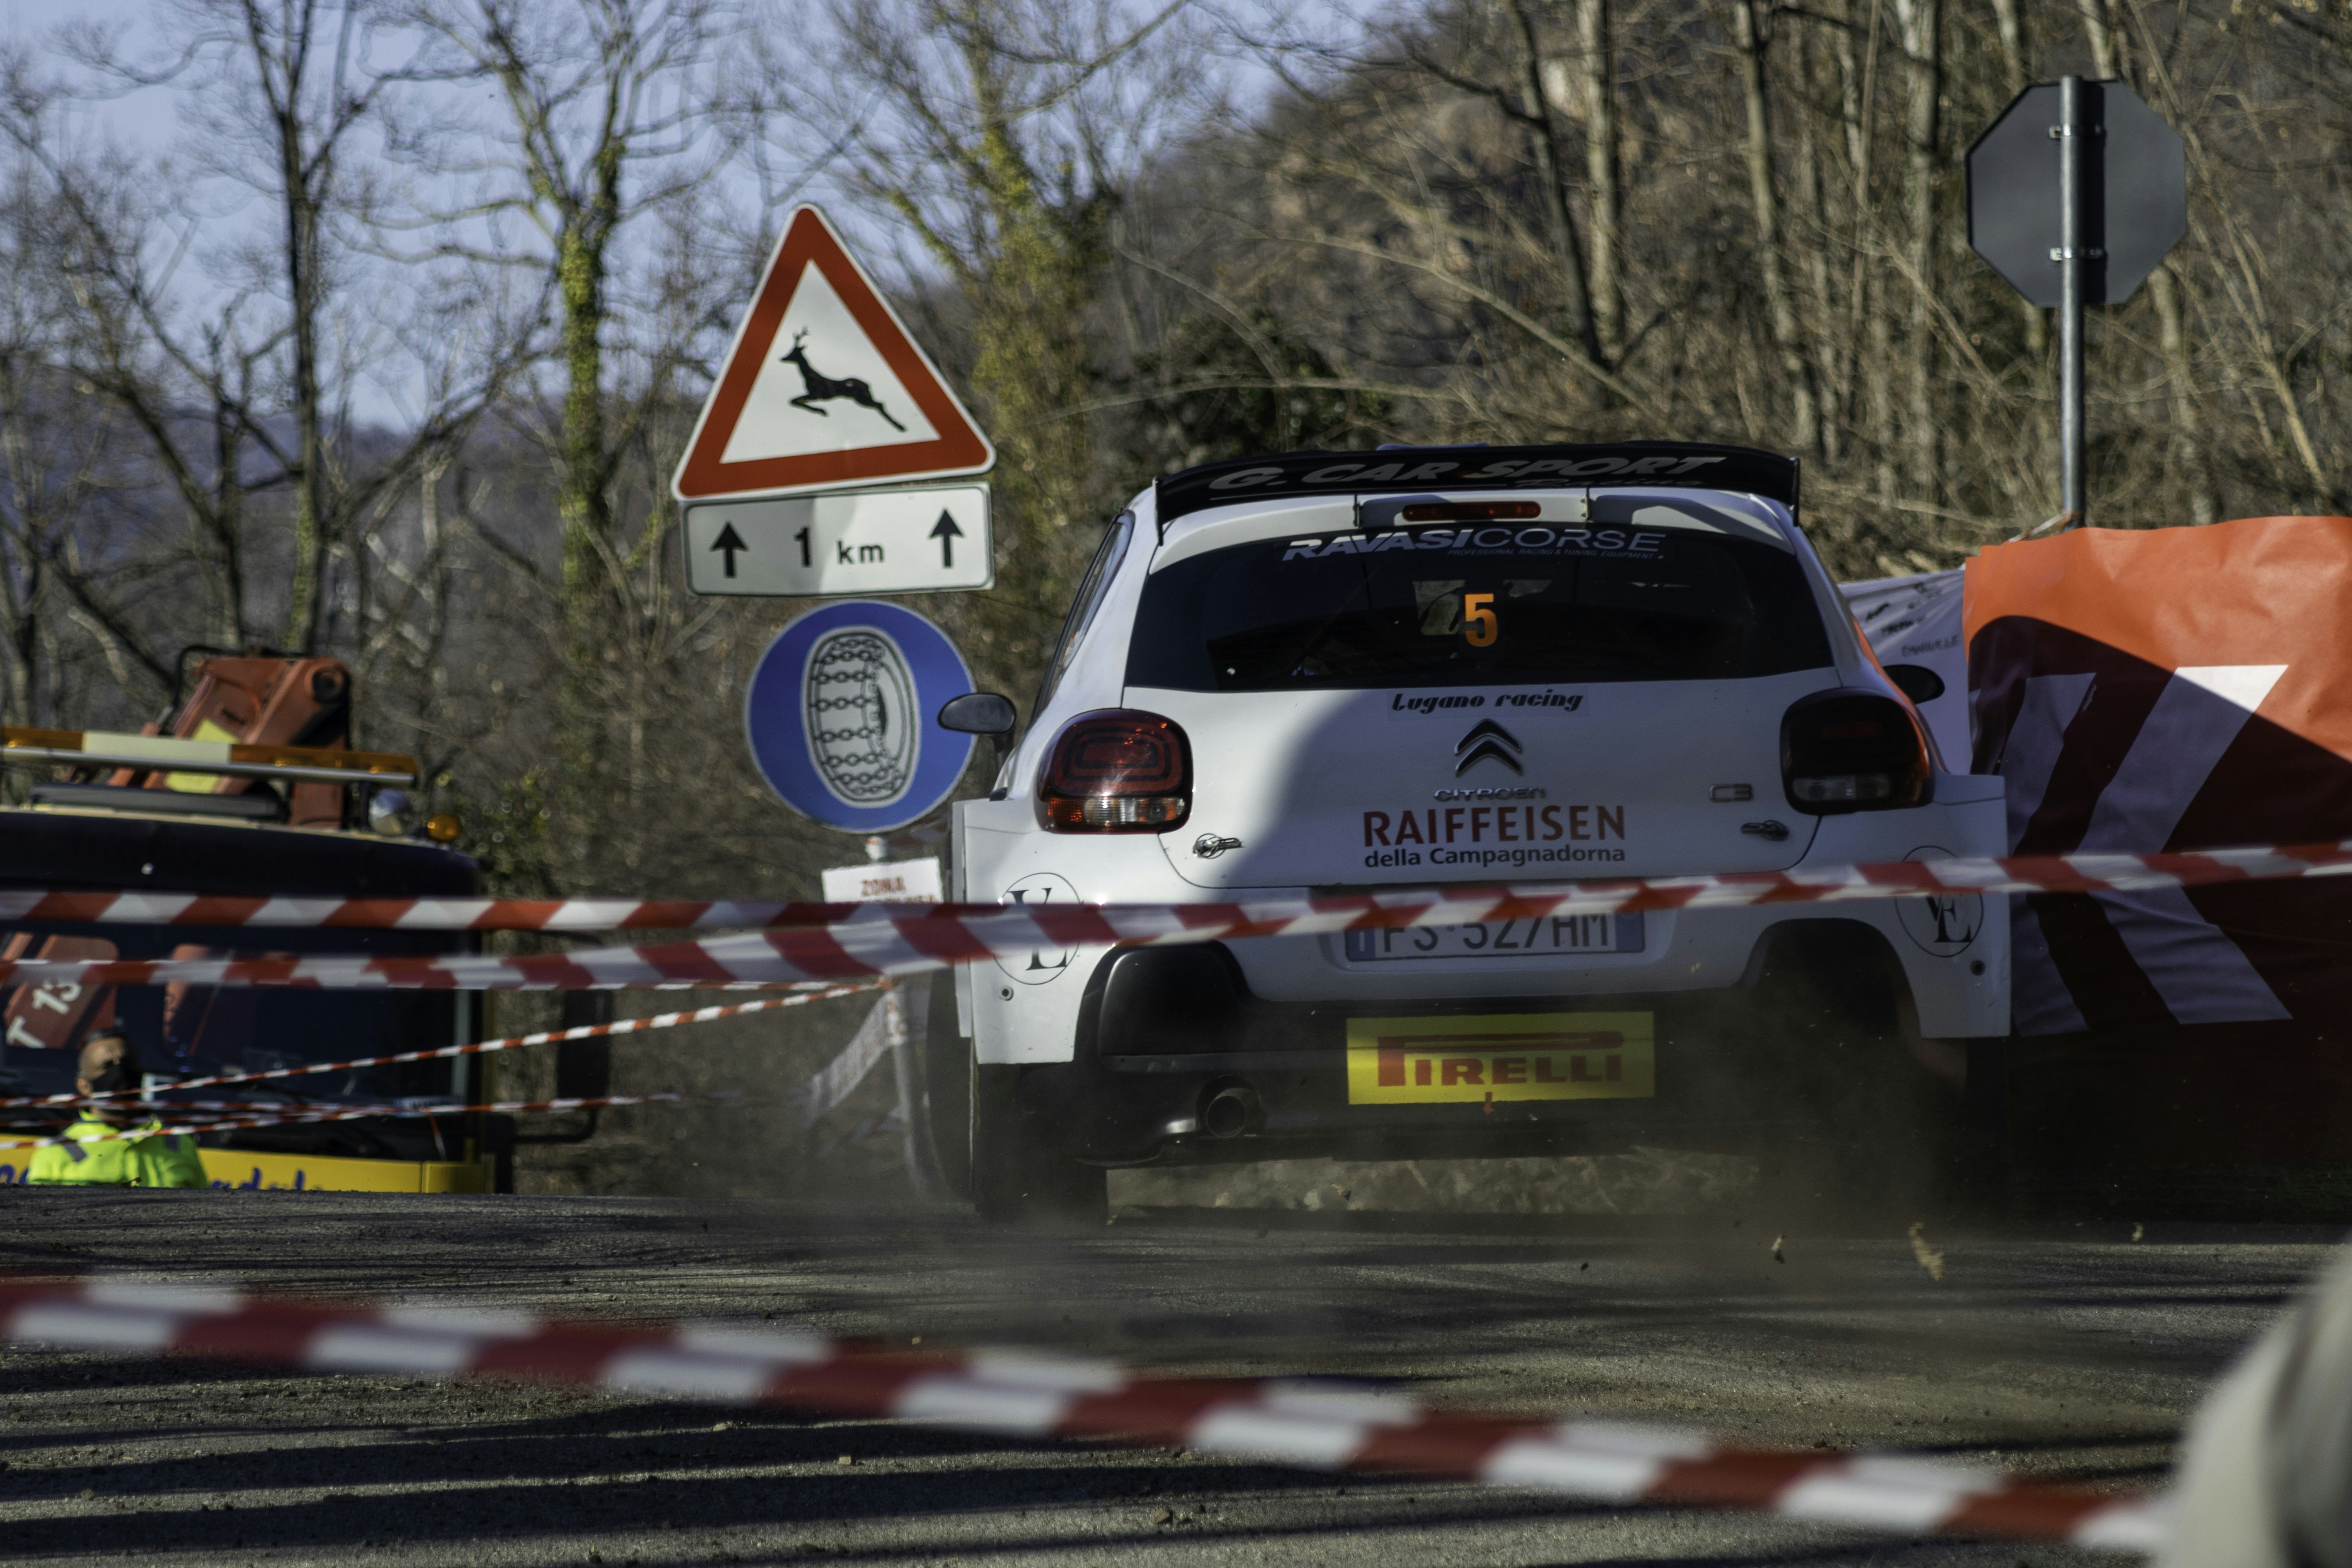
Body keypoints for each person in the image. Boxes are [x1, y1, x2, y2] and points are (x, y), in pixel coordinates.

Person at [25, 1030, 206, 1188]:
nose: (120, 1073)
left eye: (128, 1063)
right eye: (107, 1066)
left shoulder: (180, 1144)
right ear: (84, 1086)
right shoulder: (56, 1154)